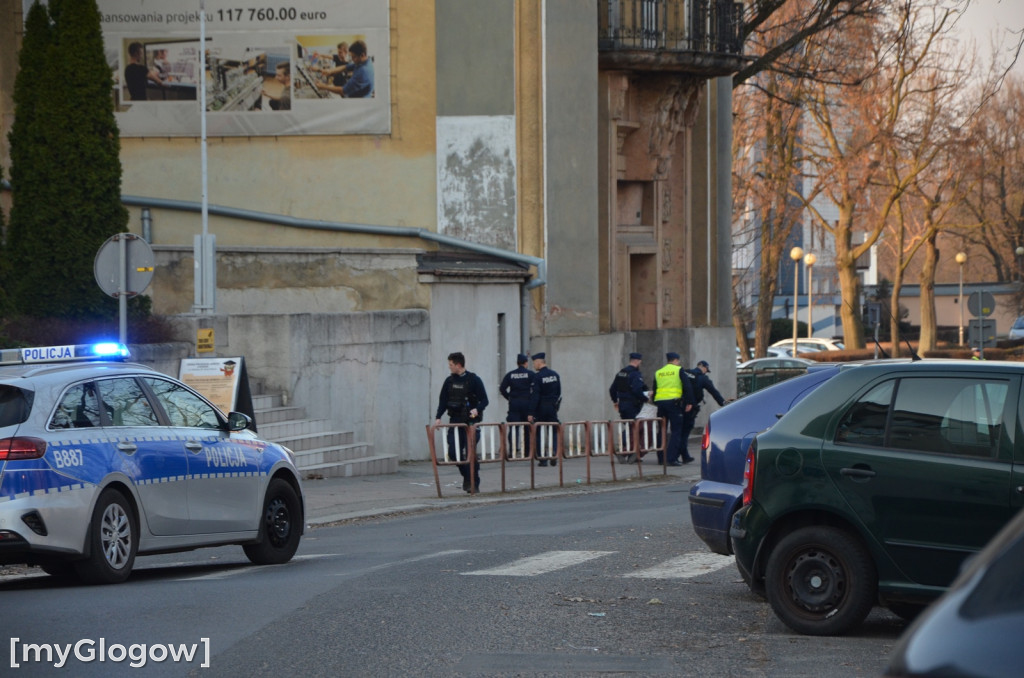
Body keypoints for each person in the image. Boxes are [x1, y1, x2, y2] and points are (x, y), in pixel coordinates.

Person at [434, 352, 489, 493]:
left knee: (470, 455)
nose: (449, 367)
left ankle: (474, 483)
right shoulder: (449, 381)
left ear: (458, 365)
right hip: (455, 421)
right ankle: (467, 477)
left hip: (470, 423)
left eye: (451, 365)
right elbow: (443, 401)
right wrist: (438, 417)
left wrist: (477, 409)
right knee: (453, 453)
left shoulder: (474, 380)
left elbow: (485, 400)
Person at [678, 360, 729, 462]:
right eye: (706, 369)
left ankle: (682, 455)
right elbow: (713, 391)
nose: (706, 372)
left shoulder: (685, 372)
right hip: (691, 407)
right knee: (685, 432)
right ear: (703, 367)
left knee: (678, 431)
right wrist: (722, 402)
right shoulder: (702, 378)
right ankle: (683, 455)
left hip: (678, 404)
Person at [652, 352, 696, 465]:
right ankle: (671, 459)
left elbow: (654, 389)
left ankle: (661, 458)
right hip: (674, 404)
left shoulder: (659, 372)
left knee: (661, 430)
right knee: (676, 431)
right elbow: (687, 386)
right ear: (676, 360)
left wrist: (656, 402)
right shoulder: (678, 370)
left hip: (660, 404)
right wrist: (690, 402)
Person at [499, 353, 537, 459]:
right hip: (527, 404)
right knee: (527, 428)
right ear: (525, 363)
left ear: (517, 363)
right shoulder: (530, 374)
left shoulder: (510, 374)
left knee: (513, 428)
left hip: (514, 404)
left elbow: (502, 388)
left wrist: (509, 398)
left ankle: (513, 451)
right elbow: (535, 389)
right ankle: (526, 452)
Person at [609, 352, 648, 454]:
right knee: (633, 427)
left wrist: (615, 402)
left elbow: (612, 389)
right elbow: (637, 390)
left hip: (622, 404)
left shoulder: (621, 373)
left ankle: (626, 448)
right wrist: (645, 399)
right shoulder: (635, 374)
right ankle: (626, 449)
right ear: (638, 361)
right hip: (632, 404)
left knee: (628, 426)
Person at [532, 352, 562, 466]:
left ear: (539, 362)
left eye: (534, 363)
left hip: (541, 407)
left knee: (539, 431)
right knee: (553, 430)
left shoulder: (538, 376)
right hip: (552, 406)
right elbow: (559, 391)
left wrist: (531, 412)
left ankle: (543, 459)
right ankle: (554, 452)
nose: (534, 365)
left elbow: (535, 396)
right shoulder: (555, 375)